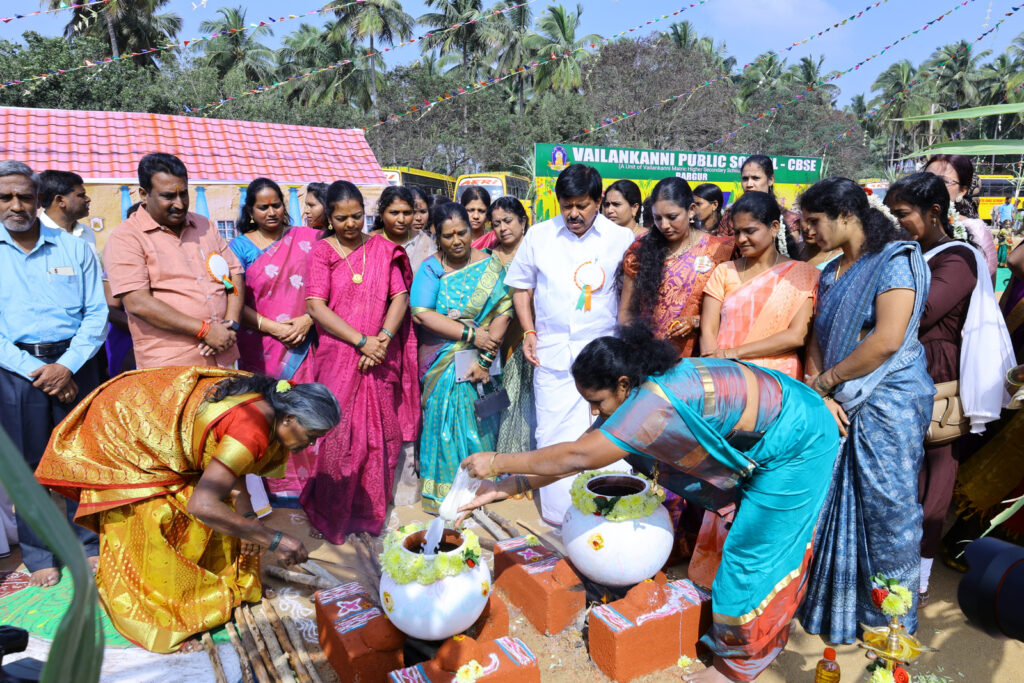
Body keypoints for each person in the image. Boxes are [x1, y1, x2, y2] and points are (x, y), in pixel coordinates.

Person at [459, 325, 840, 682]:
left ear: (623, 384)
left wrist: (496, 462)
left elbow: (577, 456)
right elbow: (582, 450)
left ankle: (737, 666)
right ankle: (753, 633)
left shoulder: (652, 404)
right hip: (779, 429)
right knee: (753, 545)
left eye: (596, 401)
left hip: (798, 443)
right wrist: (507, 486)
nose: (594, 411)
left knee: (752, 552)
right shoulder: (641, 392)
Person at [34, 367, 339, 652]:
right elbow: (204, 504)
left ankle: (209, 591)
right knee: (157, 516)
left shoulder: (273, 401)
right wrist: (274, 539)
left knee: (232, 521)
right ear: (288, 419)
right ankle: (158, 613)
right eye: (311, 436)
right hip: (122, 432)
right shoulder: (253, 427)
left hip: (153, 421)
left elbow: (235, 472)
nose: (310, 446)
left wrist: (249, 523)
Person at [796, 177, 933, 644]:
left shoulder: (894, 260)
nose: (808, 230)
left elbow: (888, 339)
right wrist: (822, 394)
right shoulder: (830, 271)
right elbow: (816, 337)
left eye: (815, 221)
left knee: (889, 511)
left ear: (846, 215)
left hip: (888, 402)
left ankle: (892, 624)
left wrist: (830, 381)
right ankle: (839, 614)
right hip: (836, 403)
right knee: (835, 502)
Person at [884, 172, 1014, 602]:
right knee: (902, 476)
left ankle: (917, 576)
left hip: (938, 375)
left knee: (934, 480)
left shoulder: (956, 258)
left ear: (934, 212)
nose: (896, 221)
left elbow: (921, 312)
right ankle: (891, 564)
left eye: (903, 214)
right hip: (905, 369)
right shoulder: (915, 251)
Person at [504, 163, 636, 525]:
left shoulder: (621, 240)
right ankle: (560, 514)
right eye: (566, 205)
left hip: (604, 355)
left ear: (598, 201)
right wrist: (529, 331)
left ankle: (609, 507)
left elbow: (630, 295)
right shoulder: (540, 236)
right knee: (552, 429)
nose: (573, 214)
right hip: (553, 351)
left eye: (582, 205)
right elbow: (521, 287)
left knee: (608, 430)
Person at [0, 161, 107, 587]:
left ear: (39, 199)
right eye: (5, 197)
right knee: (26, 467)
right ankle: (41, 552)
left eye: (25, 196)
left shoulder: (74, 248)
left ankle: (88, 544)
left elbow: (96, 314)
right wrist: (35, 370)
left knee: (82, 459)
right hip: (14, 370)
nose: (16, 205)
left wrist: (66, 366)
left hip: (76, 365)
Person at [301, 181, 419, 541]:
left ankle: (370, 513)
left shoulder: (383, 249)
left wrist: (382, 338)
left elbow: (399, 296)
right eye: (341, 218)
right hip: (340, 356)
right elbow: (315, 306)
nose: (350, 224)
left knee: (379, 437)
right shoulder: (322, 253)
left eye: (356, 216)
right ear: (329, 217)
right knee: (338, 435)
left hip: (380, 355)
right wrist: (361, 341)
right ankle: (333, 511)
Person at [411, 202, 513, 512]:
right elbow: (421, 313)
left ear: (472, 231)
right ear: (436, 237)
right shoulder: (431, 268)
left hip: (485, 359)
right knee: (445, 421)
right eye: (448, 235)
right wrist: (471, 336)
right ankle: (447, 491)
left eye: (463, 233)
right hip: (442, 360)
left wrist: (484, 357)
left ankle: (482, 488)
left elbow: (504, 309)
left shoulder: (491, 265)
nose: (457, 241)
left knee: (479, 419)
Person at [104, 153, 245, 369]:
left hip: (224, 353)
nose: (179, 204)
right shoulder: (126, 237)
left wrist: (230, 324)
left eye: (184, 194)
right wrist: (205, 330)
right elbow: (138, 303)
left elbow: (234, 274)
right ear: (143, 194)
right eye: (168, 196)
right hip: (171, 365)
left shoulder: (205, 226)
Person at [229, 178, 321, 502]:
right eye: (263, 207)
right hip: (262, 348)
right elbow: (234, 304)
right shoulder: (238, 248)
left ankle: (310, 489)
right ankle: (272, 493)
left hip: (305, 344)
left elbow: (329, 286)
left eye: (276, 205)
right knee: (269, 416)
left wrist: (310, 319)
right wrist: (273, 327)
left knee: (305, 413)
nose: (271, 212)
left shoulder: (309, 239)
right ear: (251, 212)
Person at [700, 191, 819, 378]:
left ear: (773, 228)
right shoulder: (724, 271)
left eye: (750, 231)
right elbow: (708, 330)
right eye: (737, 232)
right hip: (725, 376)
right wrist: (713, 364)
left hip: (777, 380)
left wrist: (732, 354)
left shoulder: (803, 274)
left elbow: (796, 335)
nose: (741, 239)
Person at [619, 177, 733, 358]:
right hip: (647, 358)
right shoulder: (640, 250)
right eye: (657, 218)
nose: (664, 225)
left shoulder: (719, 250)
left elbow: (731, 312)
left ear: (691, 210)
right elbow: (626, 312)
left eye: (672, 217)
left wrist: (696, 321)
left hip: (697, 360)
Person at [487, 196, 535, 453]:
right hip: (491, 341)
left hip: (524, 335)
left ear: (523, 222)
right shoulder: (486, 257)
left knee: (521, 398)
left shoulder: (535, 252)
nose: (502, 228)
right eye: (496, 223)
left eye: (508, 221)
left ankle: (520, 461)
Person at [923, 154, 997, 280]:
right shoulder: (906, 223)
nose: (930, 187)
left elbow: (987, 281)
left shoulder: (975, 230)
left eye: (943, 181)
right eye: (925, 179)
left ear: (962, 190)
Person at [719, 155, 807, 259]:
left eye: (755, 178)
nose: (749, 184)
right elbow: (721, 255)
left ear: (770, 180)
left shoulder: (788, 219)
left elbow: (788, 260)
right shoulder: (730, 215)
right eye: (745, 179)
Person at [371, 185, 437, 275]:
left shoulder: (424, 242)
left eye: (407, 213)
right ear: (381, 214)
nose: (401, 219)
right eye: (394, 213)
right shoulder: (369, 242)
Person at [37, 170, 96, 257]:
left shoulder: (86, 232)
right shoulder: (36, 235)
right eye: (81, 195)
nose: (88, 199)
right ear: (60, 200)